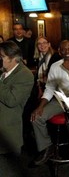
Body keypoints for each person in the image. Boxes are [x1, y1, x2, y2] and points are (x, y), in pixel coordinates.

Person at [30, 40, 69, 166]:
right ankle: (46, 148)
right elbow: (50, 89)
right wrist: (40, 107)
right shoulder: (55, 66)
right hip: (60, 100)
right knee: (36, 118)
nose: (67, 52)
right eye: (64, 50)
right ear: (59, 52)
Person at [0, 41, 34, 175]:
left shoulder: (25, 75)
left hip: (7, 132)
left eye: (1, 56)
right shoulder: (4, 70)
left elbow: (11, 100)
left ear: (13, 58)